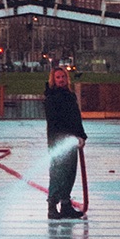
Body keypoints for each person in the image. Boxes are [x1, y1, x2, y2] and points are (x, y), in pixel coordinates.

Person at [44, 65, 86, 219]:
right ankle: (52, 206)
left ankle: (66, 205)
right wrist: (65, 138)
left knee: (69, 173)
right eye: (58, 77)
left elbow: (76, 118)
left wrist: (81, 136)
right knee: (57, 173)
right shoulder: (52, 98)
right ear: (53, 80)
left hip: (71, 140)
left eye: (63, 77)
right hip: (58, 141)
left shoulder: (70, 96)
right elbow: (55, 122)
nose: (61, 80)